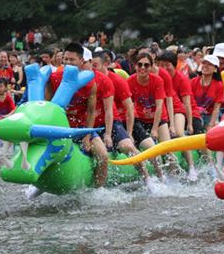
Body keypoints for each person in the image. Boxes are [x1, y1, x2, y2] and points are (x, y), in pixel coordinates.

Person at [45, 43, 108, 188]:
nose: (67, 63)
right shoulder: (54, 78)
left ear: (81, 61)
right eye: (65, 59)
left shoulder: (89, 82)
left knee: (103, 155)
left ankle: (99, 190)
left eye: (72, 60)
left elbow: (91, 112)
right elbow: (47, 106)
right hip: (58, 127)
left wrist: (87, 137)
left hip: (80, 128)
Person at [91, 52, 155, 182]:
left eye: (95, 65)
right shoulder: (84, 80)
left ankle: (148, 180)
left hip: (114, 121)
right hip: (92, 124)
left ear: (106, 64)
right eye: (90, 65)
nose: (93, 69)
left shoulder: (116, 81)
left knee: (129, 146)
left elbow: (129, 109)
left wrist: (128, 133)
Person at [127, 52, 180, 173]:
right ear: (135, 66)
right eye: (139, 65)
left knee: (167, 151)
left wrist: (155, 129)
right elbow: (129, 108)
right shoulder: (129, 81)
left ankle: (175, 177)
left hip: (159, 118)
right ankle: (160, 177)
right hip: (140, 118)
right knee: (152, 150)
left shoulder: (157, 80)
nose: (142, 68)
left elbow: (160, 106)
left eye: (146, 65)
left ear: (151, 67)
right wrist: (129, 132)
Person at [157, 51, 200, 181]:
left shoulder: (182, 79)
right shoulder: (156, 76)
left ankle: (192, 167)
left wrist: (190, 124)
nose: (164, 68)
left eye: (167, 65)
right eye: (161, 65)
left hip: (177, 110)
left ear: (174, 65)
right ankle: (170, 170)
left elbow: (187, 104)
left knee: (180, 133)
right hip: (162, 111)